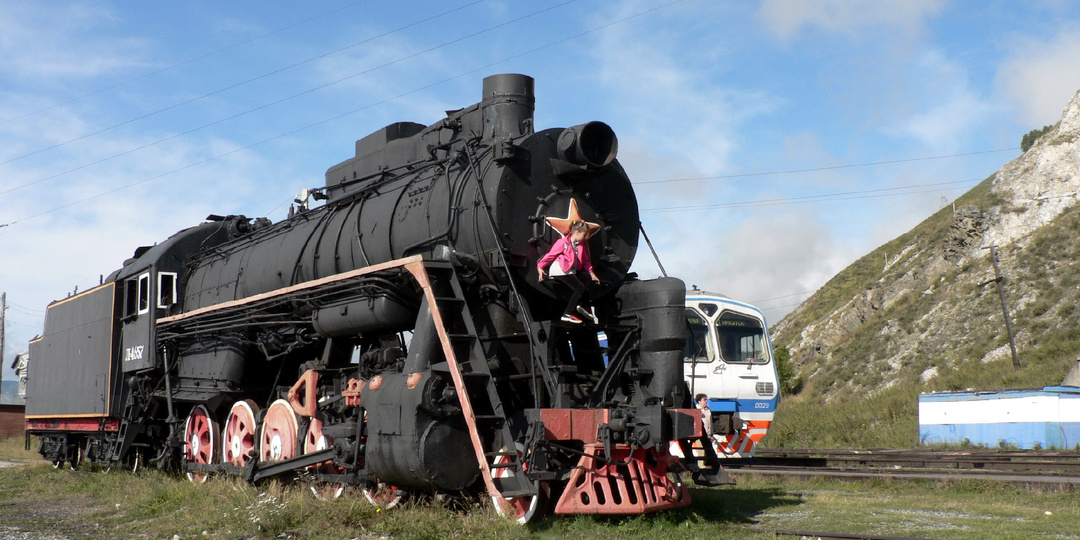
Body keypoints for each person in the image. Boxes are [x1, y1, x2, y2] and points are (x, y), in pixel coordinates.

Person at [537, 220, 600, 324]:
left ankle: (581, 305)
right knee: (579, 288)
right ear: (577, 232)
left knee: (586, 278)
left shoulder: (581, 245)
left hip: (570, 270)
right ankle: (567, 314)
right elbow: (551, 255)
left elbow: (586, 261)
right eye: (584, 235)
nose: (586, 238)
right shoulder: (563, 242)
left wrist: (592, 273)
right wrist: (540, 266)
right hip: (560, 269)